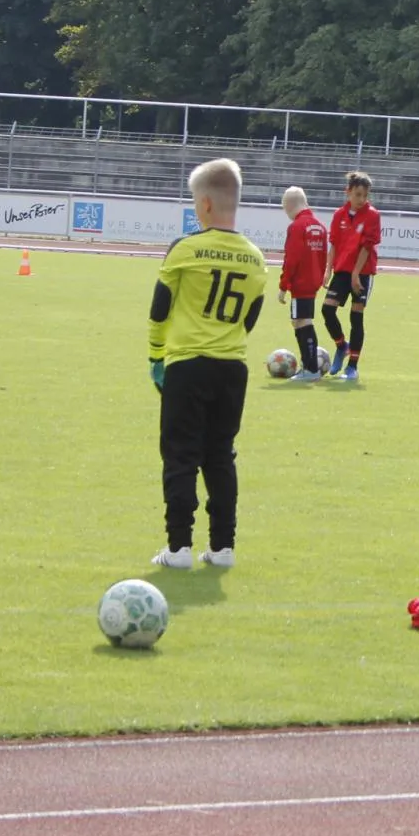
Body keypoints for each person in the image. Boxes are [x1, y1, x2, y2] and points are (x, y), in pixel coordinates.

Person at [148, 159, 269, 570]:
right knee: (220, 456)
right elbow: (249, 318)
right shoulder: (255, 258)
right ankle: (222, 548)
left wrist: (155, 357)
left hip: (187, 365)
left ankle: (179, 547)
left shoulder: (185, 249)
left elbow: (159, 309)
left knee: (180, 455)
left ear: (204, 204)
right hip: (232, 367)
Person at [323, 171, 381, 382]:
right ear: (347, 192)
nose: (361, 199)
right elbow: (334, 244)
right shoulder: (339, 214)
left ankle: (352, 367)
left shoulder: (372, 215)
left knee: (356, 316)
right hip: (342, 270)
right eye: (358, 194)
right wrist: (328, 270)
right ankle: (341, 346)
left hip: (363, 272)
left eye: (365, 195)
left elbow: (367, 247)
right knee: (327, 309)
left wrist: (356, 274)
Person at [279, 186, 329, 382]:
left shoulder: (297, 227)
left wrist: (283, 286)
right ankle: (309, 367)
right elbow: (323, 257)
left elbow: (291, 259)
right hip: (313, 281)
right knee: (301, 320)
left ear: (288, 205)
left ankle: (310, 369)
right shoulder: (320, 227)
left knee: (301, 322)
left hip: (300, 282)